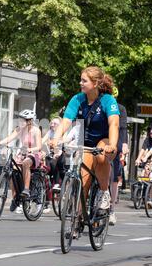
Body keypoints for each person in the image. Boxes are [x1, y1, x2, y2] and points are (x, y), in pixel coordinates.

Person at [50, 66, 119, 222]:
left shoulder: (108, 100)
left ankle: (103, 194)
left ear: (95, 83)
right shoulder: (77, 99)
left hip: (105, 140)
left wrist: (112, 145)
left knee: (102, 156)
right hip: (86, 142)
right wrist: (56, 137)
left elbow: (114, 124)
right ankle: (78, 218)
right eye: (80, 80)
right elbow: (66, 120)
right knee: (83, 180)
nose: (80, 83)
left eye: (84, 80)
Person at [0, 109, 42, 214]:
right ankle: (15, 198)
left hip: (34, 154)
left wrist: (30, 150)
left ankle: (26, 189)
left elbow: (39, 146)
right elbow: (9, 138)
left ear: (30, 121)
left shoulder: (36, 130)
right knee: (11, 169)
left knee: (25, 163)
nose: (21, 121)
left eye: (23, 120)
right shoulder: (19, 129)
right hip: (23, 153)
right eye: (21, 119)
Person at [109, 86, 129, 225]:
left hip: (115, 144)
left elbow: (122, 128)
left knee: (114, 177)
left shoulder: (120, 109)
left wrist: (124, 145)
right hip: (102, 142)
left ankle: (111, 209)